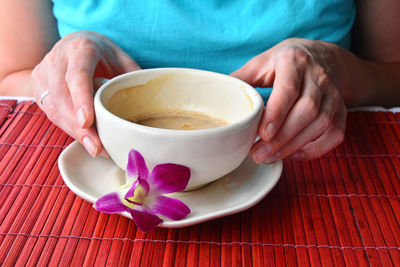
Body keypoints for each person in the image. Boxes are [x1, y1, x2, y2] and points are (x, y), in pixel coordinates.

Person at [0, 1, 399, 165]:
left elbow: (392, 72)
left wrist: (338, 70)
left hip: (301, 157)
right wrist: (61, 63)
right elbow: (10, 77)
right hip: (104, 161)